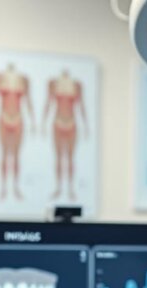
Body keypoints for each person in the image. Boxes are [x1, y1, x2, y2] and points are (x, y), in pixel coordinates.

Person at [0, 63, 34, 201]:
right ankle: (3, 187)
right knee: (4, 154)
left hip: (18, 118)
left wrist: (34, 122)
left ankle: (15, 187)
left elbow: (29, 101)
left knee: (16, 156)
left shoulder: (24, 79)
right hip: (4, 117)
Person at [42, 69, 88, 201]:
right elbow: (48, 103)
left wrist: (85, 126)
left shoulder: (77, 85)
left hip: (72, 123)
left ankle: (71, 188)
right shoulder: (53, 84)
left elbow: (82, 106)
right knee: (59, 157)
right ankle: (59, 187)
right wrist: (43, 123)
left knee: (70, 158)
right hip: (58, 122)